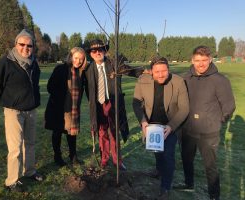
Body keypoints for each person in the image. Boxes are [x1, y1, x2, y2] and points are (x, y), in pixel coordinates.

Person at [174, 46, 236, 200]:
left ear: (210, 59)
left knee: (210, 166)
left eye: (204, 60)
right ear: (192, 60)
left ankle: (214, 195)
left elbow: (229, 106)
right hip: (187, 129)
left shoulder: (220, 80)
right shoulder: (185, 78)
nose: (200, 64)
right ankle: (189, 184)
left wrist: (216, 122)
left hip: (209, 132)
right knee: (187, 159)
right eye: (197, 60)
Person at [0, 29, 43, 192]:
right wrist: (6, 102)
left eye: (29, 45)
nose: (25, 48)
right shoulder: (6, 61)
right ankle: (11, 181)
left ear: (33, 47)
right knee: (15, 147)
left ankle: (30, 171)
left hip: (31, 110)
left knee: (30, 143)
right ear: (16, 44)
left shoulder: (33, 62)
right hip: (14, 111)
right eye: (22, 44)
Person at [132, 56, 189, 200]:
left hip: (170, 124)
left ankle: (165, 187)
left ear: (168, 69)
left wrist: (171, 126)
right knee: (157, 150)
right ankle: (158, 170)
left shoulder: (178, 82)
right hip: (151, 124)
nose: (161, 74)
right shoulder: (143, 80)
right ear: (151, 71)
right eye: (157, 71)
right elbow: (136, 102)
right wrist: (143, 122)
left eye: (164, 71)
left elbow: (184, 109)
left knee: (168, 155)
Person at [84, 39, 144, 171]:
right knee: (102, 133)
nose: (98, 52)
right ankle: (104, 159)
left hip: (113, 103)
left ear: (105, 50)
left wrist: (147, 72)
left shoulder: (113, 64)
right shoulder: (88, 70)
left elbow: (131, 71)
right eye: (94, 50)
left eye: (101, 49)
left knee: (114, 132)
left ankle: (117, 160)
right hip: (98, 106)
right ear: (91, 54)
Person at [44, 47, 87, 166]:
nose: (78, 61)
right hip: (59, 108)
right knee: (57, 132)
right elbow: (50, 87)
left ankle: (73, 156)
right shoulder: (60, 69)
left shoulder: (82, 72)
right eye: (76, 58)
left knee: (72, 133)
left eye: (81, 59)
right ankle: (57, 157)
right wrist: (61, 99)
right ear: (71, 57)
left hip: (73, 109)